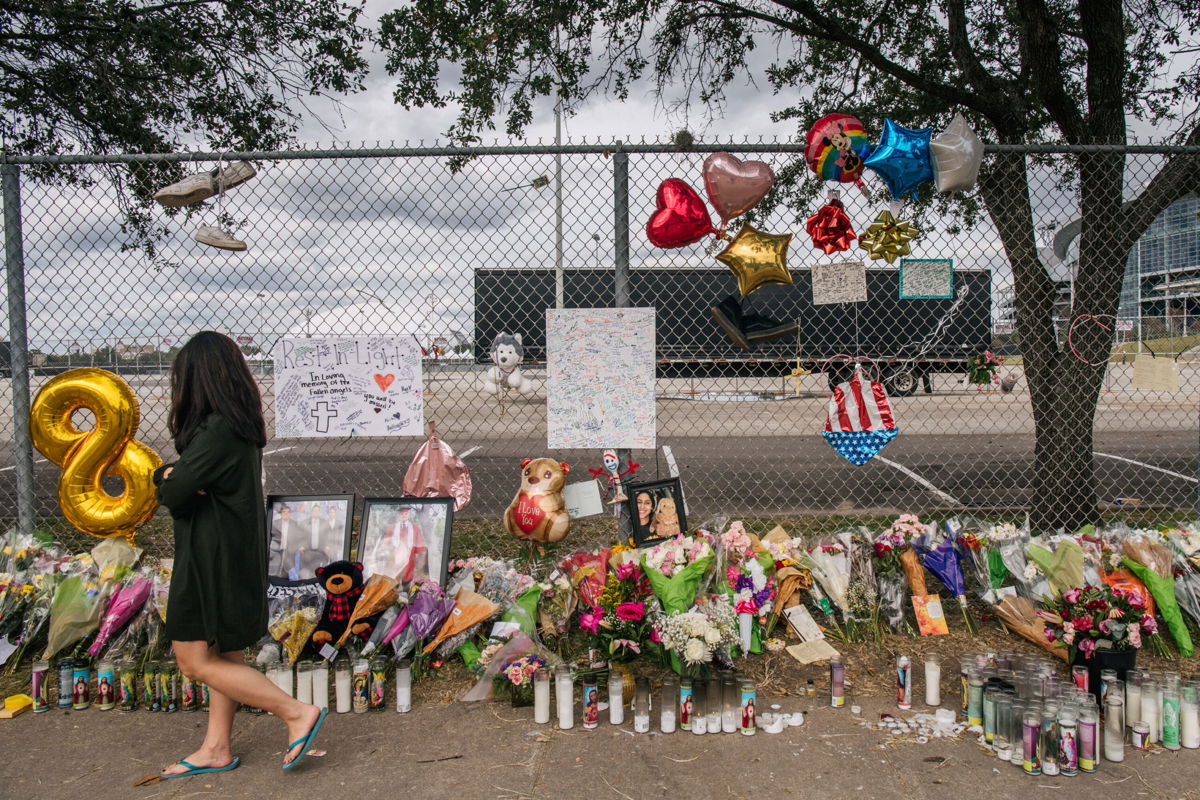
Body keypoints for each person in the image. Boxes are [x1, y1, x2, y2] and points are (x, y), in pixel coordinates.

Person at [154, 332, 324, 778]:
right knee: (224, 654)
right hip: (231, 553)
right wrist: (179, 477)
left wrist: (168, 475)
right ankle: (215, 747)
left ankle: (294, 712)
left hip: (210, 558)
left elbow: (174, 491)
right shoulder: (238, 427)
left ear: (196, 380)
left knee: (193, 660)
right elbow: (186, 485)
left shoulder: (216, 432)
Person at [368, 506, 426, 583]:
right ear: (399, 515)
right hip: (393, 560)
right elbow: (386, 545)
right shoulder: (392, 528)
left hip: (409, 560)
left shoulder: (415, 528)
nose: (404, 516)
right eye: (402, 514)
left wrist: (419, 566)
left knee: (407, 582)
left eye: (406, 514)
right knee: (392, 582)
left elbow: (419, 548)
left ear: (409, 515)